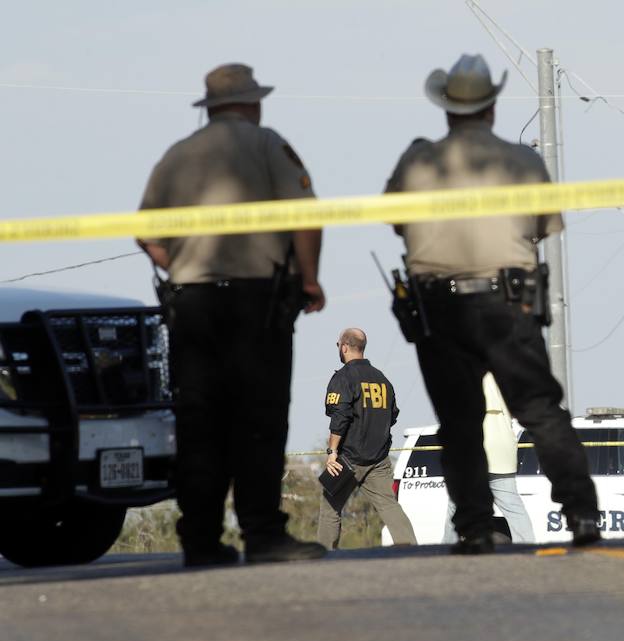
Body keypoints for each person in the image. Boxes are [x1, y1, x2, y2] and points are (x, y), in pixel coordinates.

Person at [385, 54, 600, 554]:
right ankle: (582, 517)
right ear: (492, 108)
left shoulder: (417, 162)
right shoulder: (523, 161)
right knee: (542, 411)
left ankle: (477, 527)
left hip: (441, 305)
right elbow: (544, 229)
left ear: (445, 109)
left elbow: (397, 222)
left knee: (459, 422)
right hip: (508, 304)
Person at [137, 63, 327, 566]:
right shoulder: (268, 145)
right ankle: (262, 534)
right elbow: (305, 214)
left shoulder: (176, 156)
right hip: (255, 303)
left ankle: (200, 541)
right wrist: (309, 279)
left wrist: (180, 267)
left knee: (200, 424)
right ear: (252, 102)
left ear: (211, 107)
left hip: (192, 305)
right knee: (259, 418)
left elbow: (146, 232)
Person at [317, 328, 417, 549]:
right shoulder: (382, 379)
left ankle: (324, 557)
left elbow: (340, 416)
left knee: (330, 507)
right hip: (379, 459)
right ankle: (411, 550)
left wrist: (332, 452)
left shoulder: (343, 377)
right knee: (389, 506)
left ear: (344, 347)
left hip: (348, 458)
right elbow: (393, 415)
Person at [442, 373, 535, 544]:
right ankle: (527, 544)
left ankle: (447, 546)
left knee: (457, 503)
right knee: (513, 506)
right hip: (503, 448)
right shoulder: (505, 376)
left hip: (475, 448)